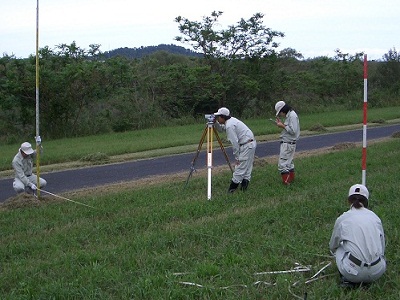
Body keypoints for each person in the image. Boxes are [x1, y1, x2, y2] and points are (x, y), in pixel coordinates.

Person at [329, 184, 386, 287]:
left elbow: (333, 246)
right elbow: (382, 247)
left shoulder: (342, 219)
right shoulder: (375, 218)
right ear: (366, 201)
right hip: (377, 272)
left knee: (340, 246)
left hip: (353, 272)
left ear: (349, 201)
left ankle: (347, 279)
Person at [213, 107, 256, 193]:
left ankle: (231, 191)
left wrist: (237, 158)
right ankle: (244, 189)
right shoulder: (231, 121)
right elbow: (221, 129)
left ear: (223, 117)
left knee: (240, 168)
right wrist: (215, 123)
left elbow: (234, 143)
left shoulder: (230, 125)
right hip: (250, 143)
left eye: (218, 117)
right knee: (247, 168)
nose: (217, 118)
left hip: (246, 145)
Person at [274, 101, 300, 185]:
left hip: (288, 143)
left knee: (283, 164)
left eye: (280, 112)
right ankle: (291, 180)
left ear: (283, 110)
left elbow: (293, 131)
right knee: (289, 163)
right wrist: (281, 124)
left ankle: (286, 183)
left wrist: (282, 126)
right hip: (289, 143)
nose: (281, 114)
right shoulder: (290, 115)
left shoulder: (292, 116)